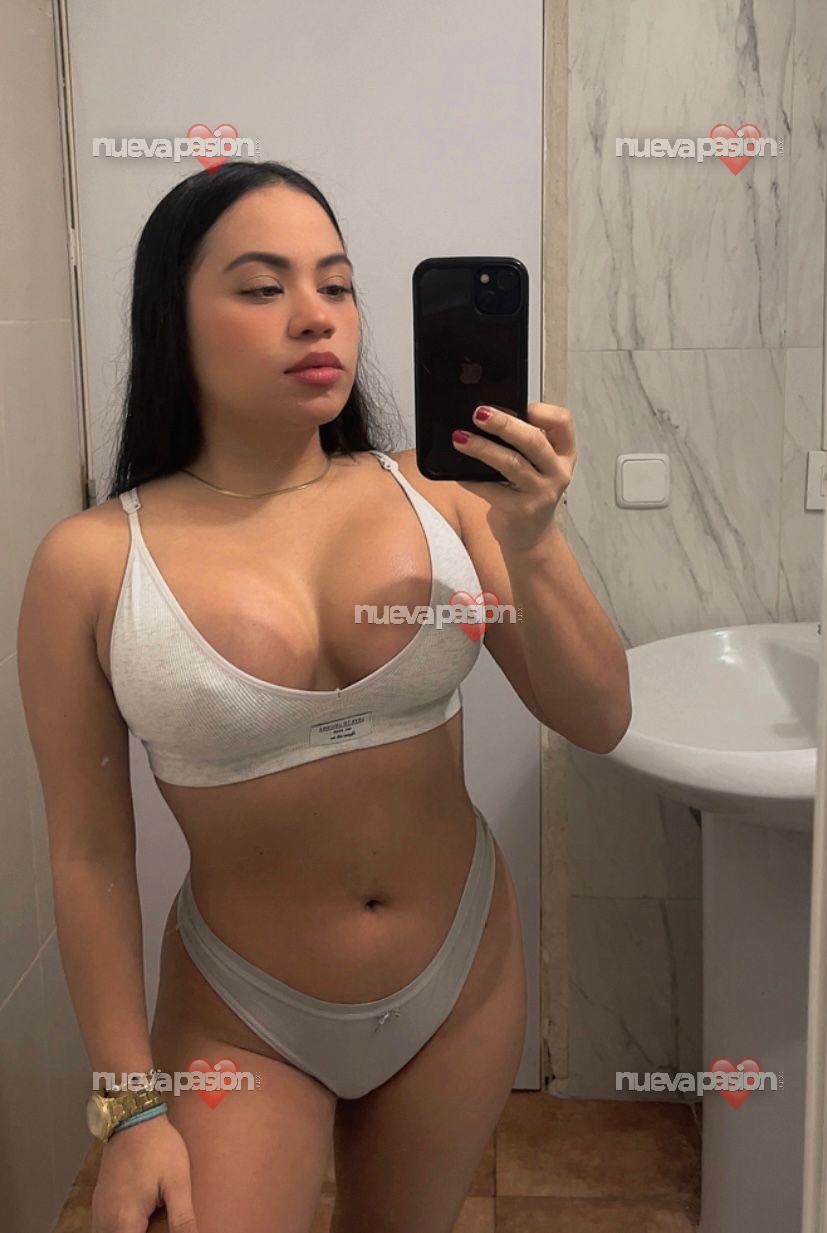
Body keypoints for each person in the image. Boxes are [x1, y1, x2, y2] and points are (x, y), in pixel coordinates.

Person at [16, 160, 630, 1233]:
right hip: (239, 1014)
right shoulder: (92, 561)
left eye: (337, 285)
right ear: (172, 319)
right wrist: (130, 1107)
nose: (316, 317)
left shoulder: (445, 493)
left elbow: (598, 716)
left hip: (461, 974)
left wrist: (532, 537)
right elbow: (89, 854)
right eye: (263, 288)